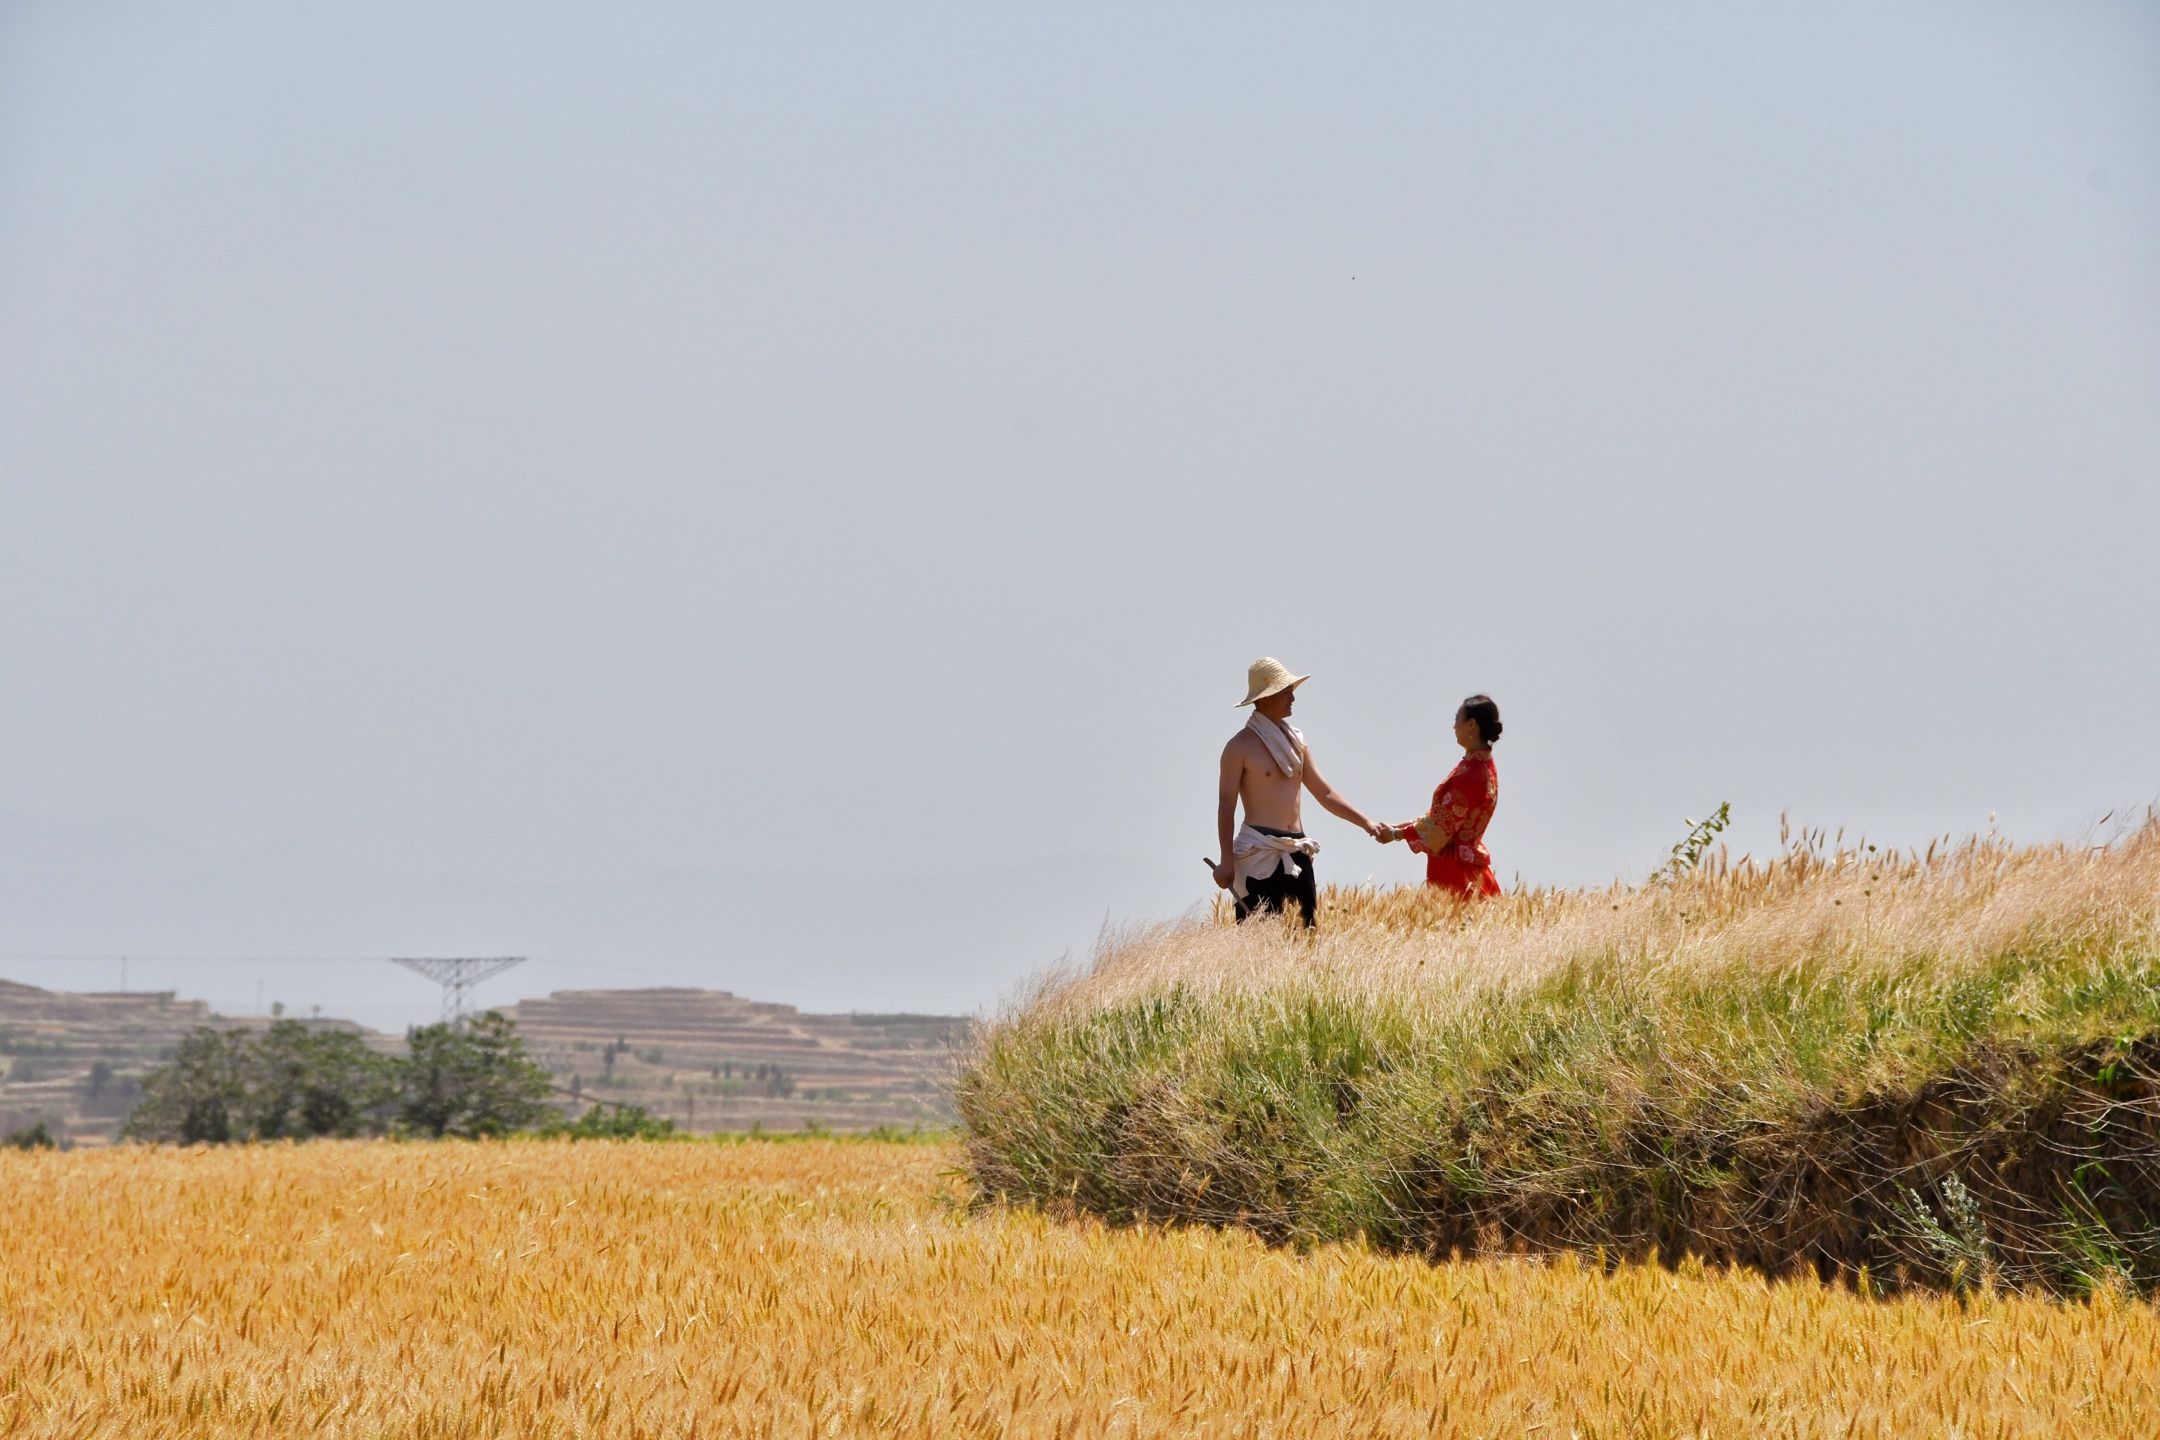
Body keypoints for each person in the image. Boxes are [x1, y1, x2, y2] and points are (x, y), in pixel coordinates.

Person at [1212, 657, 1382, 925]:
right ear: (1265, 697)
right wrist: (1226, 861)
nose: (1292, 697)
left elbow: (1324, 792)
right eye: (1286, 691)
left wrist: (1366, 823)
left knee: (1305, 936)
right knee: (1258, 941)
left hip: (1297, 849)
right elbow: (1226, 806)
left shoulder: (1298, 742)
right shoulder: (1239, 747)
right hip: (1258, 850)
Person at [1375, 694, 1503, 900]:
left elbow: (1440, 826)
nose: (1454, 727)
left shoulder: (1470, 774)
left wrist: (1395, 835)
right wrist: (1399, 828)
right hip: (1469, 865)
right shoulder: (1483, 766)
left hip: (1455, 869)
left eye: (1457, 720)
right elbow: (1443, 814)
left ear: (1471, 725)